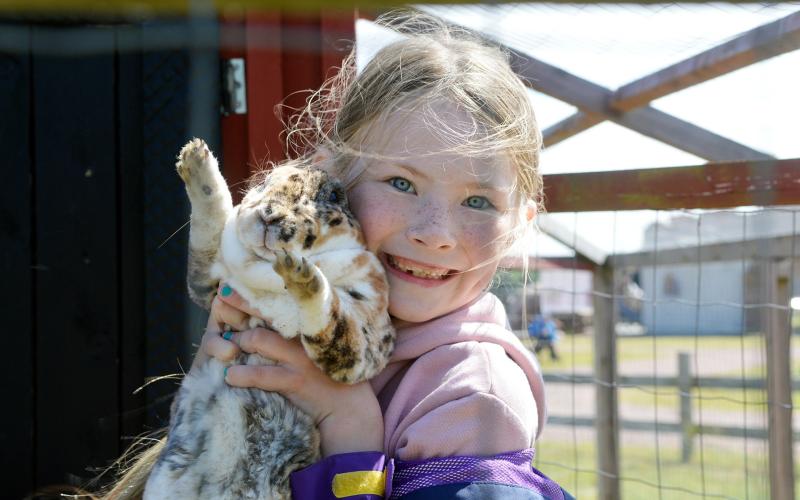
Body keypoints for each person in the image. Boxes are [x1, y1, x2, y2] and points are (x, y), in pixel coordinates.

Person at [105, 10, 572, 500]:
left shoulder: (473, 401)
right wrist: (215, 386)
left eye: (478, 202)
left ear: (520, 225)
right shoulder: (285, 312)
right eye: (401, 183)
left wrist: (348, 425)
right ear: (330, 178)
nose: (435, 234)